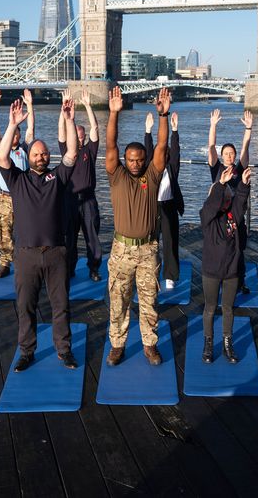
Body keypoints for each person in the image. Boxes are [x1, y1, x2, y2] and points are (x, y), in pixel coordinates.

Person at [0, 95, 80, 372]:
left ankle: (64, 350)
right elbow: (1, 156)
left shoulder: (58, 178)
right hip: (26, 255)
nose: (41, 157)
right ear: (29, 157)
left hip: (56, 252)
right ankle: (27, 351)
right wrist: (12, 124)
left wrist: (69, 120)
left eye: (44, 154)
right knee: (25, 308)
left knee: (61, 306)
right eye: (36, 154)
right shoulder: (17, 180)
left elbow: (72, 154)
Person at [105, 86, 171, 367]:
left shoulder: (152, 176)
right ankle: (117, 345)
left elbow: (162, 146)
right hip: (121, 250)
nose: (134, 163)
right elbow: (110, 145)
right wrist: (113, 114)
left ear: (144, 161)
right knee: (118, 301)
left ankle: (149, 345)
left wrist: (164, 116)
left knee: (149, 301)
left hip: (147, 250)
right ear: (125, 160)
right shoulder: (117, 175)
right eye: (130, 159)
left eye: (139, 160)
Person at [200, 166, 252, 364]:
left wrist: (244, 185)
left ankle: (227, 344)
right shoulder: (207, 217)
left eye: (227, 196)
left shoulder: (233, 217)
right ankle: (208, 343)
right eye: (222, 196)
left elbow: (240, 201)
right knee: (210, 308)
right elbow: (212, 205)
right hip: (211, 271)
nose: (225, 199)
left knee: (228, 308)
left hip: (231, 271)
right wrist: (219, 185)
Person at [0, 88, 34, 278]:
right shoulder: (1, 147)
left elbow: (31, 128)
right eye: (12, 133)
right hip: (5, 197)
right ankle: (5, 263)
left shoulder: (25, 148)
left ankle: (27, 261)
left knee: (27, 229)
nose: (14, 137)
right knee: (4, 231)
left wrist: (30, 105)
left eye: (16, 133)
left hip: (23, 196)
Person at [207, 109, 253, 294]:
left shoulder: (240, 169)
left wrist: (249, 128)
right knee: (220, 250)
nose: (229, 156)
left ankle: (240, 282)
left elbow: (245, 148)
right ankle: (217, 281)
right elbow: (211, 147)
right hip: (219, 218)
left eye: (231, 153)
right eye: (226, 153)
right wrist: (213, 125)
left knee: (239, 251)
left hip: (237, 218)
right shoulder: (216, 168)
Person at [60, 90, 103, 281]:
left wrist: (87, 105)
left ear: (84, 138)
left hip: (88, 200)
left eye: (80, 136)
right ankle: (69, 269)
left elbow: (95, 128)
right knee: (69, 237)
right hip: (69, 201)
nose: (78, 139)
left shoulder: (89, 151)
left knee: (92, 237)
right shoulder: (66, 152)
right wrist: (64, 111)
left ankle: (94, 268)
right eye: (75, 136)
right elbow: (61, 133)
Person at [144, 111, 184, 289]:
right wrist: (147, 131)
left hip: (168, 207)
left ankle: (170, 276)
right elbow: (148, 149)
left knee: (170, 242)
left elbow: (175, 152)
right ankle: (149, 272)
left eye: (165, 155)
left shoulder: (171, 168)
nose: (163, 157)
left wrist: (175, 130)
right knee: (150, 243)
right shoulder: (150, 168)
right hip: (151, 208)